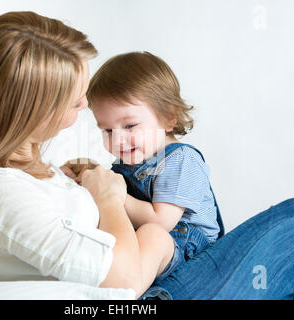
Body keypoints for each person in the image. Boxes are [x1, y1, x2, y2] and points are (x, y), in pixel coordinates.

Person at [0, 11, 294, 300]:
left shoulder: (13, 179)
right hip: (146, 294)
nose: (84, 105)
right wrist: (107, 197)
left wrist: (85, 181)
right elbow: (124, 280)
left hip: (174, 263)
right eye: (75, 100)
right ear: (31, 111)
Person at [61, 51, 225, 289]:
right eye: (107, 130)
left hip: (192, 254)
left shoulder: (181, 160)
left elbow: (161, 221)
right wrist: (87, 174)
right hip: (147, 254)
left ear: (169, 117)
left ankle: (125, 295)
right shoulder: (129, 161)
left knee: (152, 235)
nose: (117, 140)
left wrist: (112, 195)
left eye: (129, 126)